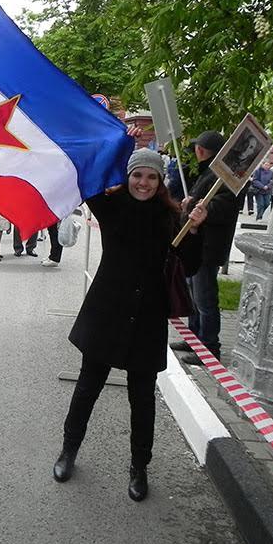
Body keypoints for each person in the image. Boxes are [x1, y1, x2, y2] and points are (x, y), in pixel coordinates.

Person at [53, 145, 207, 502]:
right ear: (128, 176)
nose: (143, 182)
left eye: (151, 176)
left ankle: (140, 467)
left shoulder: (172, 217)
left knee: (142, 397)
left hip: (147, 318)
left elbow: (193, 265)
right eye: (137, 175)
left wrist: (196, 229)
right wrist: (117, 144)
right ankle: (68, 451)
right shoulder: (112, 206)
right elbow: (87, 177)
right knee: (88, 387)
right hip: (107, 310)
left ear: (160, 181)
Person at [169, 130, 244, 364]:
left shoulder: (223, 176)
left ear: (200, 150)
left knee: (204, 298)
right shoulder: (210, 173)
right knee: (193, 294)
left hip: (207, 248)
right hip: (196, 246)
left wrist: (201, 208)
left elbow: (225, 206)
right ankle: (194, 338)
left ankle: (210, 347)